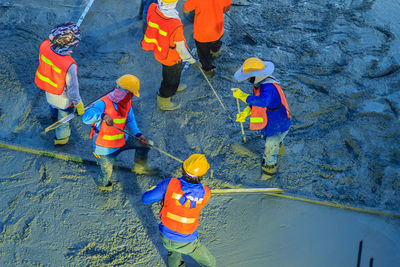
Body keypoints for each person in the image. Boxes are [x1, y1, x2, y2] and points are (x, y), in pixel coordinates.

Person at [82, 74, 157, 191]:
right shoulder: (103, 103)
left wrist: (137, 134)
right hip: (104, 148)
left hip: (122, 140)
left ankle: (139, 167)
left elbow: (130, 119)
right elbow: (85, 119)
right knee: (105, 171)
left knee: (147, 144)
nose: (132, 96)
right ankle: (103, 185)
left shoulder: (126, 102)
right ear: (126, 92)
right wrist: (102, 115)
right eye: (131, 94)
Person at [142, 154, 216, 267]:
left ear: (183, 168)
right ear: (202, 175)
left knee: (173, 253)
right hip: (187, 240)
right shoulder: (206, 193)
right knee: (210, 263)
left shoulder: (168, 184)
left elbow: (146, 199)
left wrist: (156, 188)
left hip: (165, 235)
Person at [232, 57, 291, 178]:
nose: (247, 79)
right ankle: (280, 149)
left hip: (277, 124)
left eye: (249, 76)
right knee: (276, 143)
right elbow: (257, 103)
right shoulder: (259, 84)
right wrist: (245, 113)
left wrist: (244, 96)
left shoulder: (268, 88)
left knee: (269, 152)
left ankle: (269, 172)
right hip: (273, 120)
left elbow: (262, 102)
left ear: (256, 76)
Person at [141, 0, 201, 111]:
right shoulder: (175, 24)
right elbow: (181, 49)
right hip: (171, 57)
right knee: (170, 80)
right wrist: (193, 61)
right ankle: (163, 100)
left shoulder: (153, 8)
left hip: (160, 51)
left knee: (170, 74)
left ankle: (175, 86)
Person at [35, 22, 85, 146]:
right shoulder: (69, 65)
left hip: (49, 91)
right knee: (63, 122)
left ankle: (53, 118)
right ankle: (61, 140)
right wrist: (79, 104)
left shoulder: (44, 46)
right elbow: (73, 90)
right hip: (64, 100)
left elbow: (42, 63)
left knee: (53, 107)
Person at [183, 0, 232, 78]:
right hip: (217, 30)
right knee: (216, 43)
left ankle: (208, 71)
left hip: (202, 35)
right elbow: (226, 8)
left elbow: (185, 10)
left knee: (203, 55)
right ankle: (215, 51)